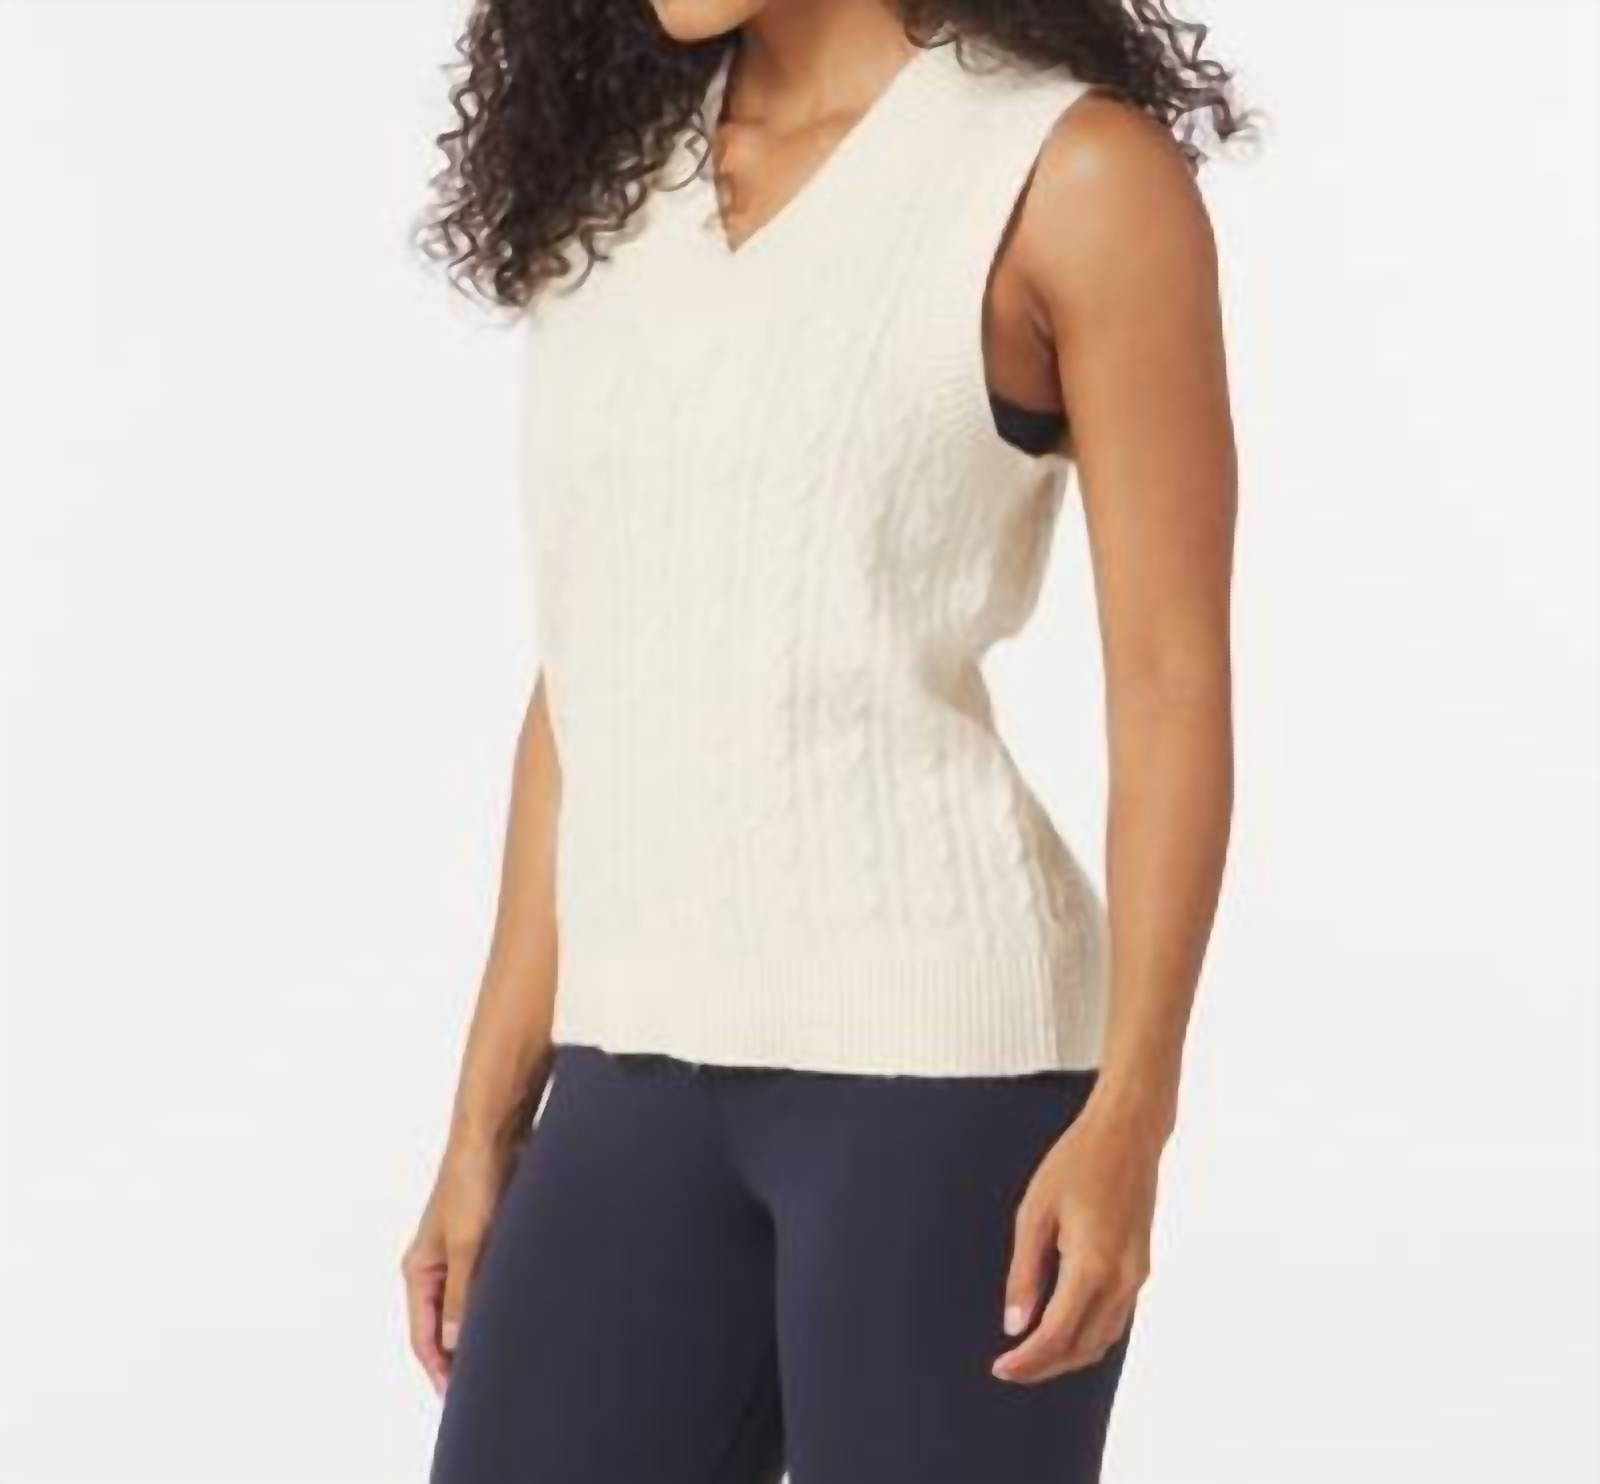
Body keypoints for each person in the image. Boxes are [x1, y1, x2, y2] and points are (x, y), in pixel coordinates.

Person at [404, 1, 1242, 1479]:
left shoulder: (1069, 175)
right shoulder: (618, 188)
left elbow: (1170, 685)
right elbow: (588, 676)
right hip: (628, 1077)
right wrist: (482, 1121)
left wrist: (1134, 1115)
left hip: (948, 1085)